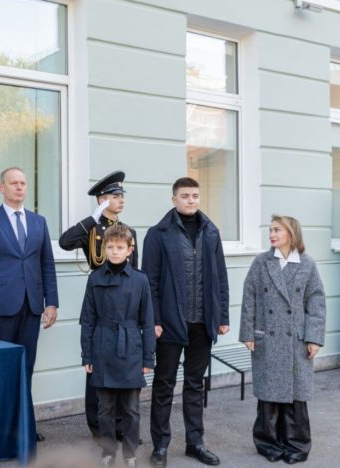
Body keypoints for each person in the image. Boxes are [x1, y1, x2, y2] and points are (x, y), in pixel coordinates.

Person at [142, 177, 229, 467]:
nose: (191, 200)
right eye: (185, 196)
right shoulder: (158, 234)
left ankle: (196, 443)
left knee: (194, 385)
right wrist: (153, 320)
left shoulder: (211, 232)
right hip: (168, 325)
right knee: (164, 385)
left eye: (195, 195)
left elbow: (221, 279)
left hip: (202, 324)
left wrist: (222, 316)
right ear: (174, 199)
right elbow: (149, 283)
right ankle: (161, 447)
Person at [0, 166, 59, 441]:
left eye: (23, 183)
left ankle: (23, 428)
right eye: (13, 183)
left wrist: (51, 302)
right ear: (1, 188)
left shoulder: (38, 222)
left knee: (26, 368)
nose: (20, 187)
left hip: (32, 307)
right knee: (1, 371)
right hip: (1, 310)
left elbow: (47, 264)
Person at [239, 215, 326, 465]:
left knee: (296, 394)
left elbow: (316, 302)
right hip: (268, 336)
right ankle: (268, 443)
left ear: (291, 232)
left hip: (296, 339)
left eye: (277, 230)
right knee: (268, 393)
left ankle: (297, 445)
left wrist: (314, 338)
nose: (272, 234)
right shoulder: (261, 262)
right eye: (270, 230)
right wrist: (248, 333)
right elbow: (250, 297)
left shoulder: (307, 264)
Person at [59, 170, 138, 439]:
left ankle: (121, 424)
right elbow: (65, 242)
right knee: (97, 362)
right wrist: (93, 217)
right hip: (100, 296)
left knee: (121, 361)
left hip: (124, 302)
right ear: (102, 199)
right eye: (115, 196)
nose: (121, 199)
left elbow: (135, 274)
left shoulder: (129, 232)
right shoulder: (92, 228)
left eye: (122, 195)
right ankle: (99, 426)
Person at [80, 226, 155, 467]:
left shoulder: (140, 279)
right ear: (104, 249)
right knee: (105, 408)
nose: (114, 251)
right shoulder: (95, 278)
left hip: (131, 347)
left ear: (129, 250)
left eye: (119, 247)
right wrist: (87, 355)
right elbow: (88, 319)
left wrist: (147, 359)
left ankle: (130, 452)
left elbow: (148, 321)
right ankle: (108, 450)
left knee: (132, 408)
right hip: (102, 347)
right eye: (110, 247)